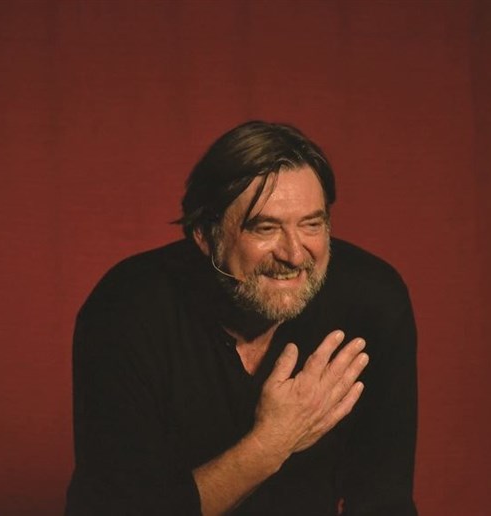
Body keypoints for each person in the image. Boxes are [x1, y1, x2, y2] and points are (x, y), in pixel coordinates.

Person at [65, 121, 417, 515]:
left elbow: (385, 501)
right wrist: (271, 443)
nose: (294, 255)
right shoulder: (126, 310)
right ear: (205, 234)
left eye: (312, 225)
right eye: (265, 228)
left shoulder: (371, 300)